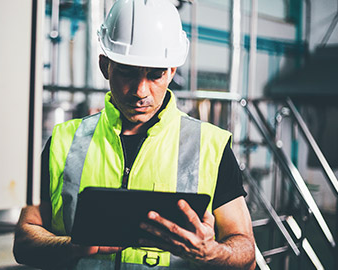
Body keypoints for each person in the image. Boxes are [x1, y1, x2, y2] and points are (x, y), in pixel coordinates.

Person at [13, 0, 256, 269]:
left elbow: (246, 251)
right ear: (105, 66)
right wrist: (73, 247)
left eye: (155, 75)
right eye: (127, 72)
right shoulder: (63, 141)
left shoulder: (211, 146)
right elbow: (24, 242)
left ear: (171, 71)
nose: (141, 91)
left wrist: (211, 253)